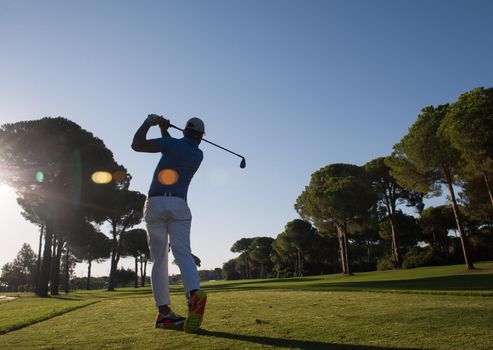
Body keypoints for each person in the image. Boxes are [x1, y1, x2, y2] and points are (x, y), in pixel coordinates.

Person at [131, 114, 207, 332]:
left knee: (159, 259)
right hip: (179, 205)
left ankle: (164, 314)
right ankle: (193, 295)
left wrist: (149, 123)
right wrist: (165, 131)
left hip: (155, 203)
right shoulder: (198, 154)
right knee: (183, 252)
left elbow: (137, 145)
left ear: (184, 131)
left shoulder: (171, 143)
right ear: (200, 137)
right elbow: (174, 148)